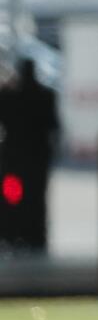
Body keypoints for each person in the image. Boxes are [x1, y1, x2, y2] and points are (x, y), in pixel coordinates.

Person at [0, 58, 59, 251]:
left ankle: (11, 233)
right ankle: (35, 236)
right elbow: (53, 125)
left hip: (13, 157)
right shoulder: (46, 95)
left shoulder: (9, 97)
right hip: (37, 157)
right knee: (37, 197)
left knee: (11, 196)